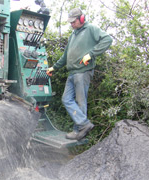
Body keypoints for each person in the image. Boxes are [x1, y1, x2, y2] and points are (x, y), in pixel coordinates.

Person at [46, 8, 112, 141]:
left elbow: (107, 39)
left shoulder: (91, 29)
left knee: (80, 102)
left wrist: (91, 54)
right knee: (66, 99)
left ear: (81, 19)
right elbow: (65, 56)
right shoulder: (73, 35)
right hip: (72, 73)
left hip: (83, 72)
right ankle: (84, 125)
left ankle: (79, 130)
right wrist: (54, 67)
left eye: (73, 21)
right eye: (70, 22)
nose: (71, 24)